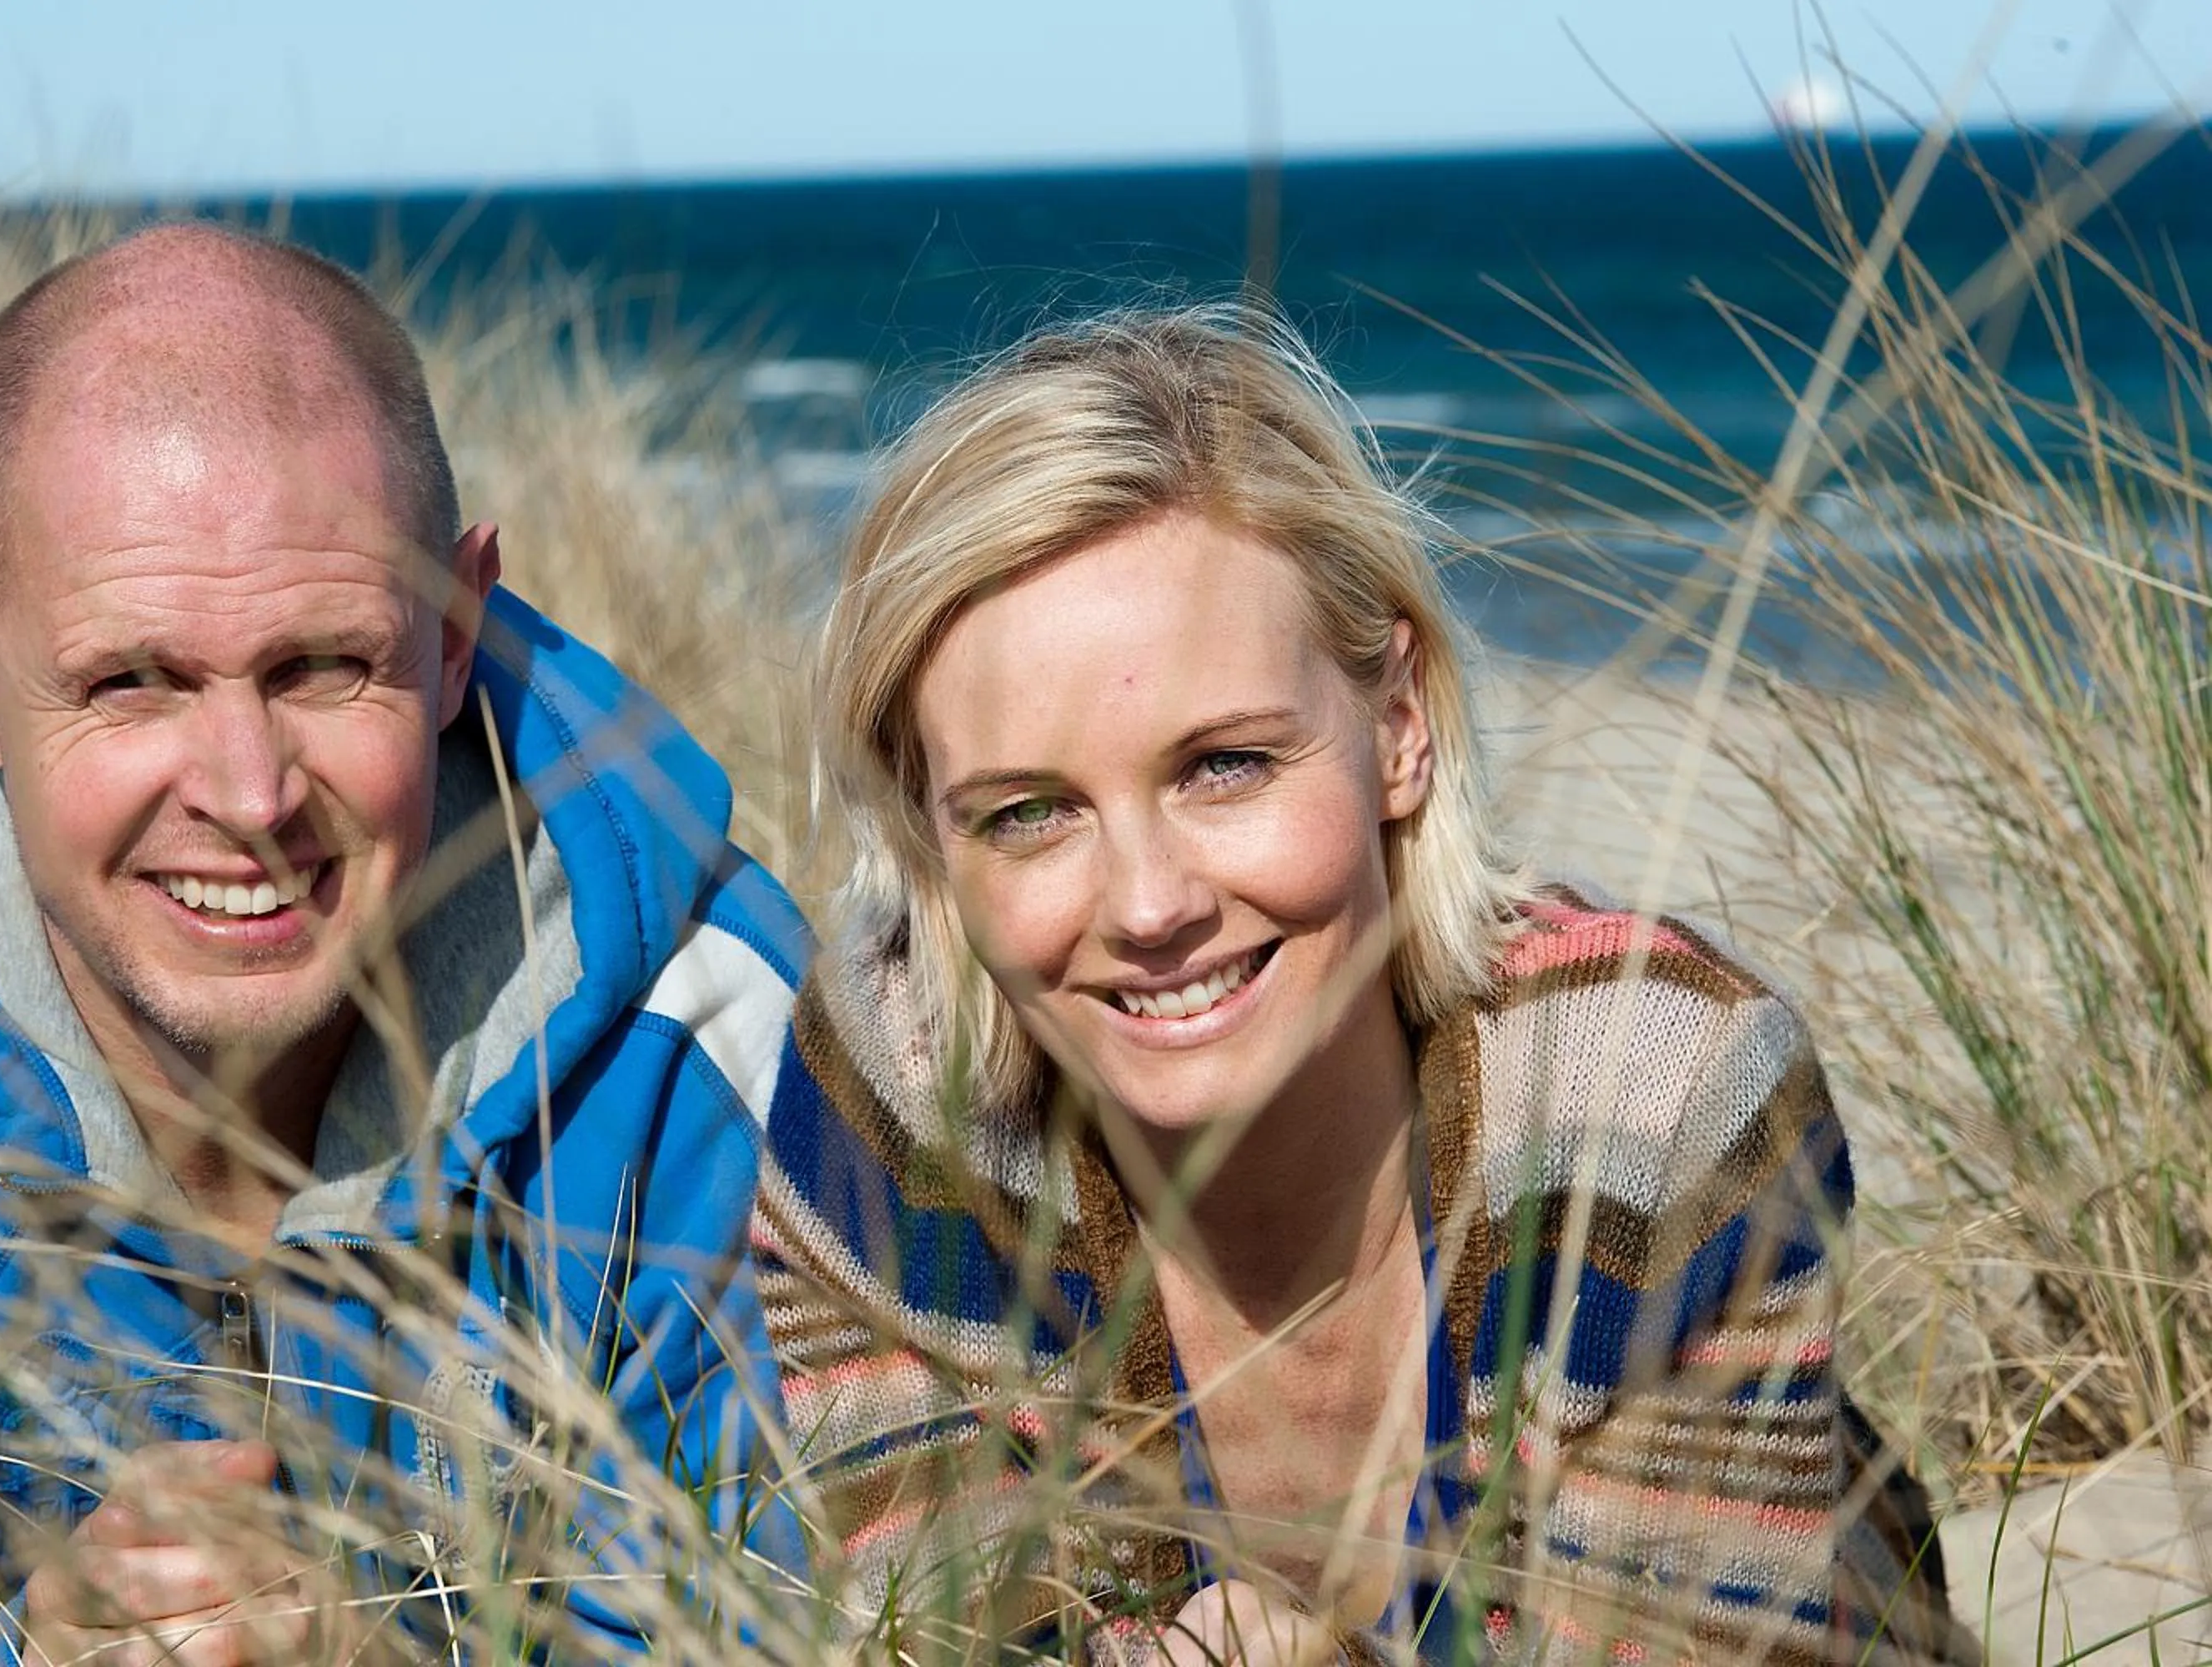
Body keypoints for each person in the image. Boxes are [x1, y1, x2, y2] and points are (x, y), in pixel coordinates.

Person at [753, 307, 1968, 1663]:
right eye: (1029, 813)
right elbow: (944, 1632)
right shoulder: (897, 1115)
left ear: (1396, 724)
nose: (1149, 907)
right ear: (931, 835)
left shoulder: (1662, 1101)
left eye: (1226, 765)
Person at [0, 223, 806, 1664]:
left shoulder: (703, 1046)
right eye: (133, 680)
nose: (248, 795)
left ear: (456, 630)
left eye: (324, 665)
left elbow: (823, 1622)